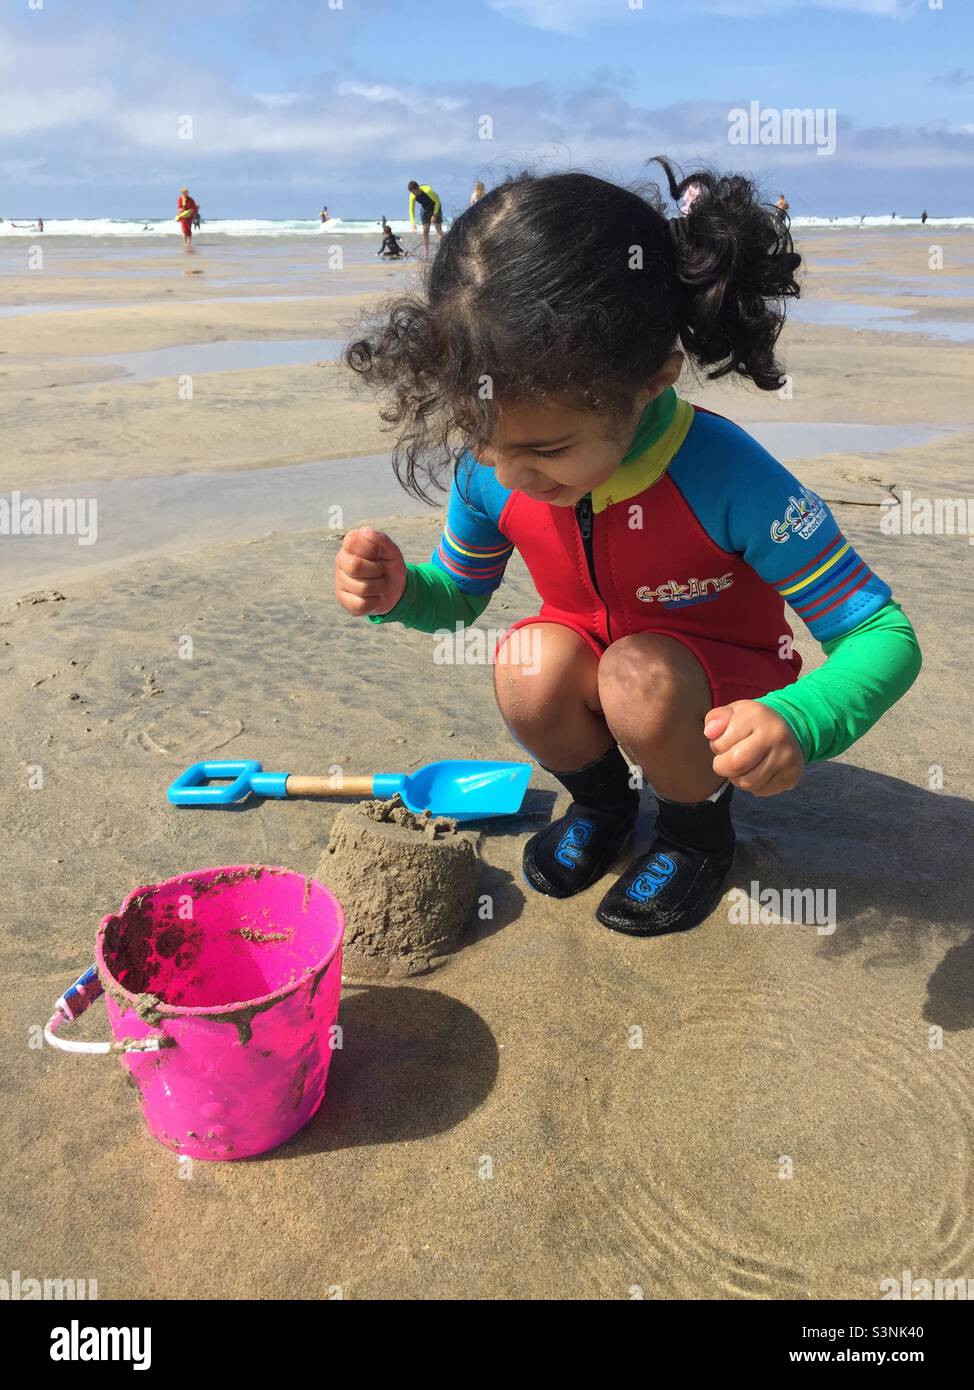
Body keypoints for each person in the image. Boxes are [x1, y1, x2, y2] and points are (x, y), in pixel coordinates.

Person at [336, 162, 921, 938]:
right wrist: (401, 592)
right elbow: (458, 595)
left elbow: (883, 636)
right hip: (601, 662)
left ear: (650, 382)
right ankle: (606, 806)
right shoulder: (495, 466)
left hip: (712, 690)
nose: (510, 474)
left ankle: (695, 831)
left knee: (638, 677)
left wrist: (801, 720)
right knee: (527, 664)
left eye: (547, 448)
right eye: (481, 439)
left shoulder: (727, 475)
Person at [407, 180, 443, 258]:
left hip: (435, 206)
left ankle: (441, 251)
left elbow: (437, 201)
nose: (413, 194)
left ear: (417, 188)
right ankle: (426, 253)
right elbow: (411, 209)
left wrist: (435, 214)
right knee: (425, 231)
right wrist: (413, 224)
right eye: (411, 192)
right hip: (425, 208)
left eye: (413, 192)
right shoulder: (412, 195)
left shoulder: (427, 191)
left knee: (438, 230)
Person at [176, 187, 199, 252]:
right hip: (183, 216)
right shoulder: (180, 199)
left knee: (189, 229)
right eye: (183, 192)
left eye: (186, 192)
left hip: (189, 216)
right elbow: (178, 207)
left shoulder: (191, 199)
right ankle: (185, 242)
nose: (185, 193)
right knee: (184, 229)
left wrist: (195, 213)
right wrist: (180, 210)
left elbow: (194, 208)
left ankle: (189, 242)